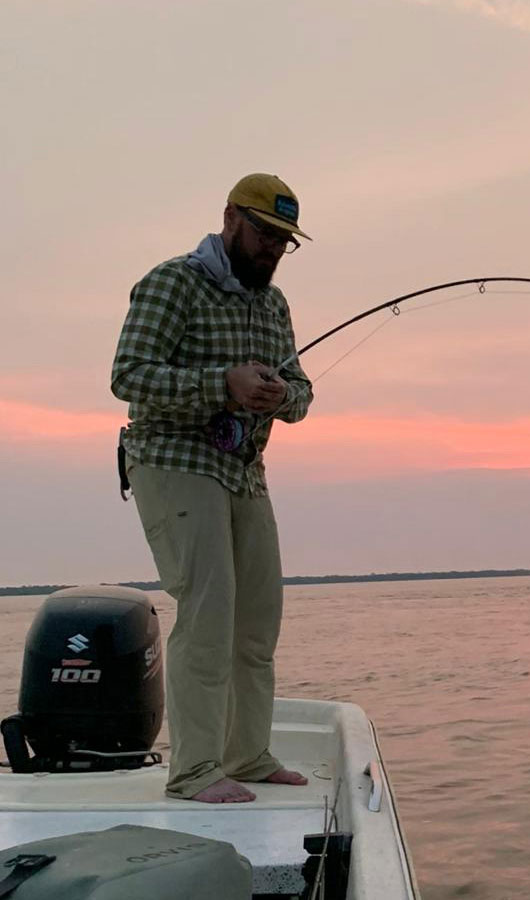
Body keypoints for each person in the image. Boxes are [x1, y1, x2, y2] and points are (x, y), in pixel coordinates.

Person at [112, 173, 315, 803]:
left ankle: (246, 755)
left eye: (284, 240)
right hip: (172, 459)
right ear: (230, 219)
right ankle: (195, 770)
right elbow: (128, 376)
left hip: (244, 470)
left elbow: (303, 393)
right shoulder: (172, 282)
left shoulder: (273, 304)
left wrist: (281, 397)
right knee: (207, 616)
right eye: (264, 233)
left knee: (256, 625)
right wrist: (221, 384)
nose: (273, 248)